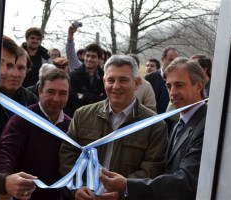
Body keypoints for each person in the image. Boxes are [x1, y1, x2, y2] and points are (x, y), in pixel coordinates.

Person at [59, 55, 168, 200]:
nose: (116, 86)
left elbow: (152, 168)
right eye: (111, 80)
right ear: (104, 82)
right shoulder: (82, 115)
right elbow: (68, 155)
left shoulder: (154, 125)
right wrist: (77, 187)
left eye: (123, 80)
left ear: (136, 83)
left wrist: (123, 192)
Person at [100, 57, 208, 200]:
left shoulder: (206, 125)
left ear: (198, 87)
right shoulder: (180, 122)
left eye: (179, 85)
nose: (172, 92)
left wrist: (127, 186)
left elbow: (187, 181)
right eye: (169, 86)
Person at [0, 68, 71, 200]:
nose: (56, 99)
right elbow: (6, 152)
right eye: (51, 92)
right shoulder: (22, 120)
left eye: (62, 93)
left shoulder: (71, 126)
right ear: (40, 91)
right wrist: (5, 181)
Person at [0, 36, 38, 149]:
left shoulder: (32, 100)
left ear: (27, 71)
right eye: (11, 67)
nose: (14, 74)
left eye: (21, 68)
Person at [66, 24, 106, 117]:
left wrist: (82, 96)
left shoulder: (105, 77)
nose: (89, 59)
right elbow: (71, 99)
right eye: (87, 56)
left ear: (99, 58)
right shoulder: (73, 76)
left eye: (93, 56)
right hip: (76, 117)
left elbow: (105, 100)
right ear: (84, 56)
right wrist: (95, 98)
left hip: (97, 117)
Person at [145, 47, 179, 114]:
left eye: (176, 60)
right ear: (163, 59)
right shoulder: (149, 78)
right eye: (171, 60)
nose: (174, 63)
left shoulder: (180, 79)